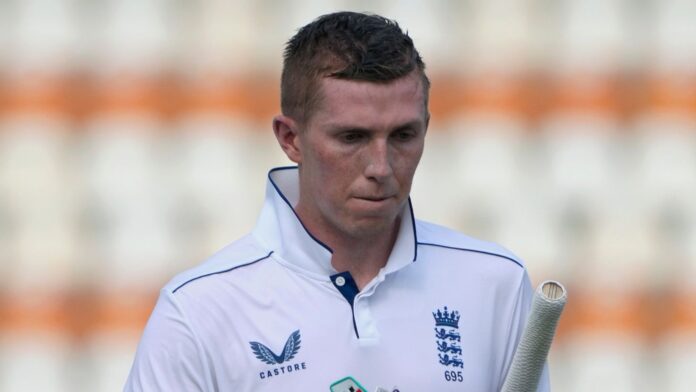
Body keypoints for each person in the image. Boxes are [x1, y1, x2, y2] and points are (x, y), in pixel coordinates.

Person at [125, 11, 550, 391]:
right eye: (352, 137)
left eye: (403, 135)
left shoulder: (495, 283)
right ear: (290, 139)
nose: (381, 166)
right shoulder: (199, 312)